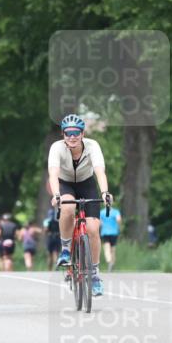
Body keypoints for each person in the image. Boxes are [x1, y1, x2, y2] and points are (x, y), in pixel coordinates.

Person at [48, 114, 112, 296]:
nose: (72, 136)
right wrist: (56, 195)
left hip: (86, 183)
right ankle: (66, 249)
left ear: (83, 133)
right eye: (68, 133)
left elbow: (99, 171)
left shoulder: (93, 146)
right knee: (68, 207)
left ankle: (94, 274)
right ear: (63, 134)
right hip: (65, 184)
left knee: (93, 228)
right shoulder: (56, 148)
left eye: (76, 132)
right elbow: (53, 173)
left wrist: (105, 193)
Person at [99, 204, 122, 272]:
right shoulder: (116, 212)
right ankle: (112, 263)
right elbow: (118, 220)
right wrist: (118, 226)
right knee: (113, 249)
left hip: (105, 232)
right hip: (114, 232)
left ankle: (109, 261)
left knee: (106, 248)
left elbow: (100, 223)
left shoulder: (102, 212)